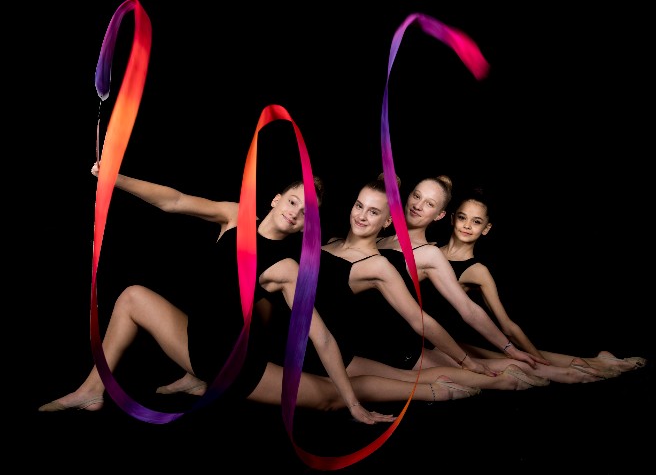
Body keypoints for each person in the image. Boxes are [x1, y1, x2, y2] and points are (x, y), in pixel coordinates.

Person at [37, 161, 396, 424]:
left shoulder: (288, 268)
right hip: (197, 338)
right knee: (132, 296)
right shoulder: (236, 216)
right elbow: (174, 201)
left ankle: (422, 388)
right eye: (292, 202)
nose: (295, 213)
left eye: (305, 213)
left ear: (307, 226)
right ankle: (92, 390)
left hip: (227, 363)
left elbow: (321, 338)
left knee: (330, 397)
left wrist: (353, 405)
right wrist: (115, 178)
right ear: (276, 199)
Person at [267, 173, 552, 393]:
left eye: (430, 204)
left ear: (440, 215)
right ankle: (522, 370)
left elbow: (455, 311)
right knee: (422, 378)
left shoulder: (408, 256)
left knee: (451, 373)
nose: (418, 205)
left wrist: (494, 352)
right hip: (343, 335)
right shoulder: (353, 241)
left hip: (383, 339)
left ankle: (536, 372)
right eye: (416, 196)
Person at [377, 175, 644, 383]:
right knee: (512, 362)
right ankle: (598, 362)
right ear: (451, 219)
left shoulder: (472, 269)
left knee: (528, 362)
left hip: (451, 336)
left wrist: (533, 357)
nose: (467, 226)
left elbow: (501, 322)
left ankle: (595, 365)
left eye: (476, 222)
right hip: (439, 337)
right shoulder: (431, 250)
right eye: (463, 218)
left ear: (486, 228)